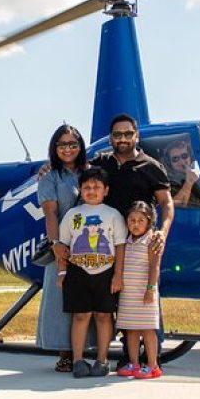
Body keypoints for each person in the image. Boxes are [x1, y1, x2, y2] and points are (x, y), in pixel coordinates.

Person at [90, 113, 174, 368]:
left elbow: (167, 203)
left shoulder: (151, 166)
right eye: (117, 134)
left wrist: (162, 232)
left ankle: (151, 357)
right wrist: (48, 167)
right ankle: (129, 355)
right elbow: (74, 169)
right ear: (111, 138)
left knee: (146, 299)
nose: (123, 138)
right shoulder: (101, 163)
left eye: (128, 134)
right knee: (120, 302)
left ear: (137, 136)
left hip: (140, 244)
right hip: (108, 243)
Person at [56, 166, 128, 378]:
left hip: (106, 272)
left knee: (104, 316)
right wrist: (62, 272)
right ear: (80, 190)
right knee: (80, 316)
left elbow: (121, 245)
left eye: (97, 187)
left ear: (106, 190)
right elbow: (63, 245)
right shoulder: (73, 214)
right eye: (86, 187)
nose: (91, 190)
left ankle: (102, 359)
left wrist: (118, 275)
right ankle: (78, 360)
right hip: (78, 271)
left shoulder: (113, 214)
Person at [36, 124, 90, 372]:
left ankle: (88, 349)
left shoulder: (92, 172)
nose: (67, 149)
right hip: (64, 244)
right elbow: (50, 213)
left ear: (80, 147)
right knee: (60, 299)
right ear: (54, 148)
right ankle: (64, 352)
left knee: (89, 298)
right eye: (62, 144)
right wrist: (56, 245)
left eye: (72, 144)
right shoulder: (50, 178)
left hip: (90, 244)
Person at [116, 201, 162, 379]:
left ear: (149, 222)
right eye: (132, 220)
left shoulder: (151, 240)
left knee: (148, 329)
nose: (135, 224)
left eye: (140, 220)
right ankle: (134, 363)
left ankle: (153, 365)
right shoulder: (126, 241)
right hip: (129, 293)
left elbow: (154, 267)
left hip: (145, 292)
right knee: (131, 329)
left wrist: (150, 289)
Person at [164, 138, 200, 208]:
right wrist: (189, 182)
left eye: (184, 156)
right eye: (175, 159)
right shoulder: (167, 183)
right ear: (169, 163)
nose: (182, 162)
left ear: (190, 158)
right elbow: (177, 207)